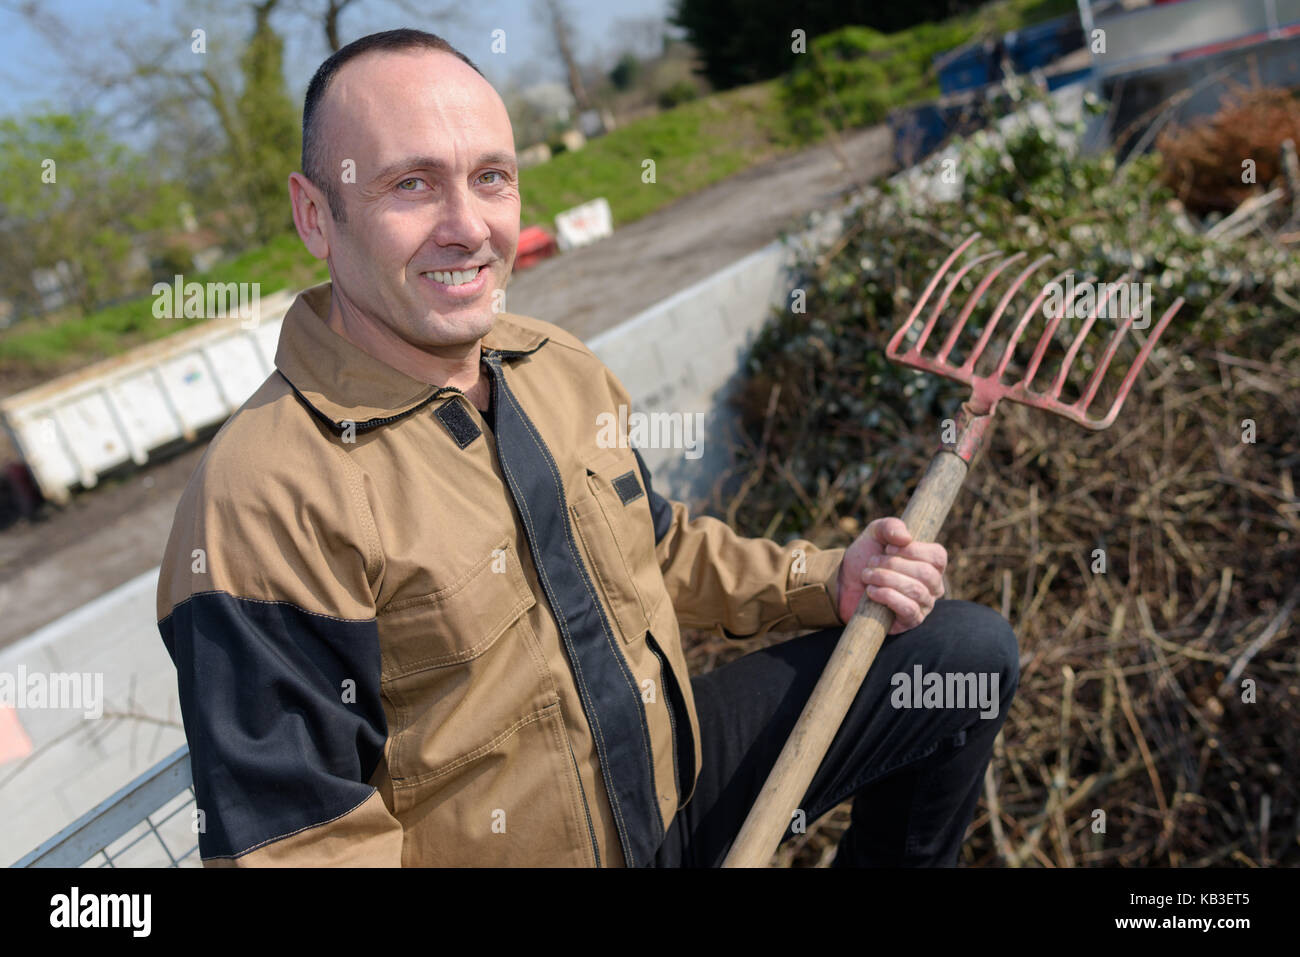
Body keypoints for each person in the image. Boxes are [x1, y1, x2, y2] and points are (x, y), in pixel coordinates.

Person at [156, 28, 1018, 868]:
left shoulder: (553, 367)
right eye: (411, 185)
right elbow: (297, 840)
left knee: (960, 663)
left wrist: (824, 580)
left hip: (671, 795)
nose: (467, 226)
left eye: (491, 178)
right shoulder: (264, 494)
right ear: (317, 214)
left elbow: (656, 546)